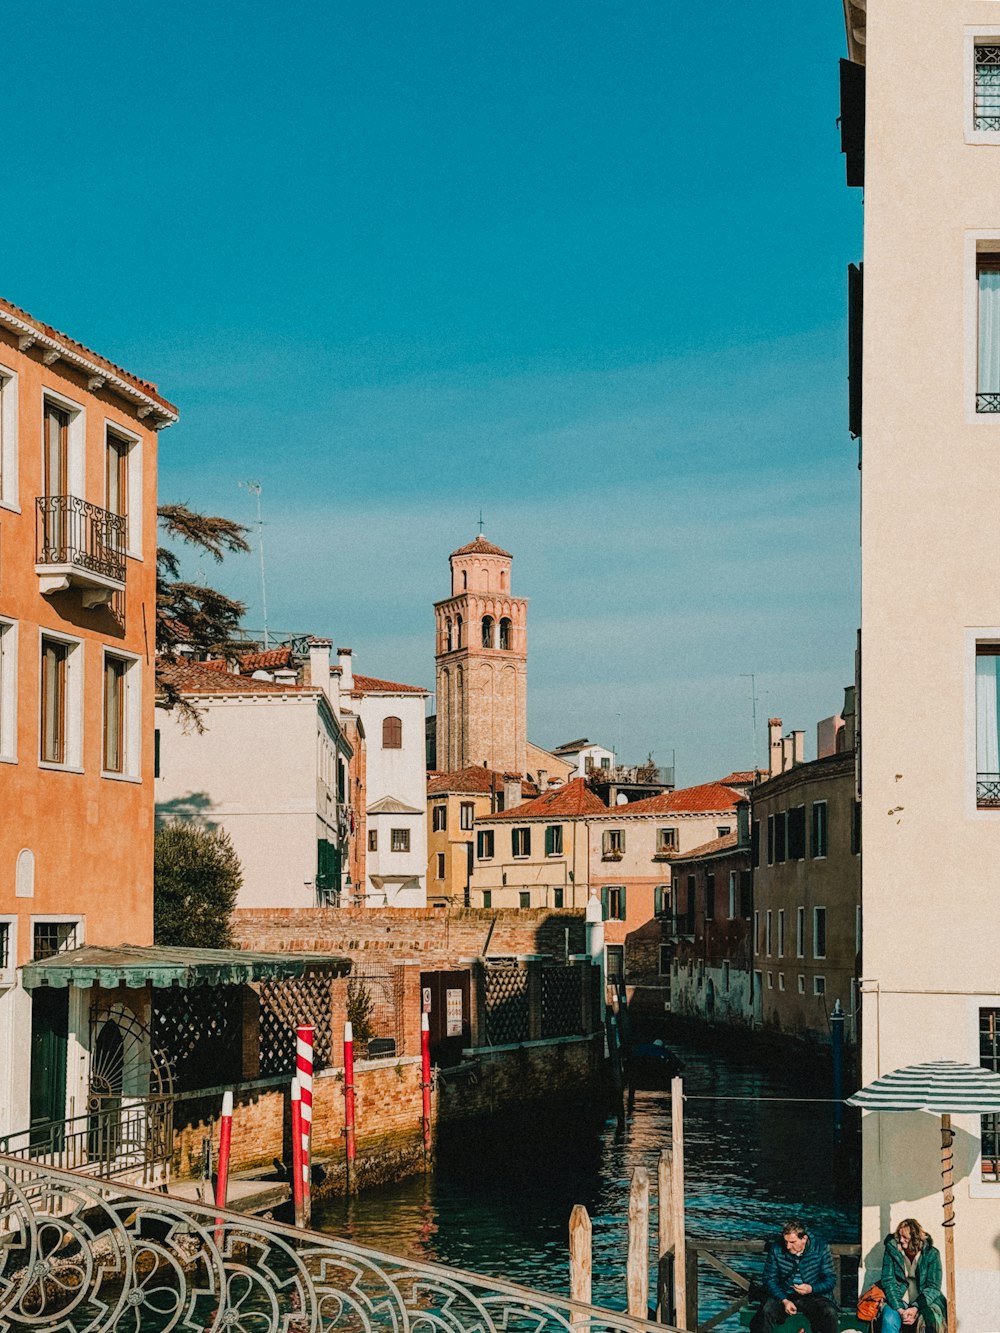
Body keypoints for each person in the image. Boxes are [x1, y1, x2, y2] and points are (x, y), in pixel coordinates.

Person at [750, 1219, 838, 1333]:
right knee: (766, 1310)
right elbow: (769, 1279)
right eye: (786, 1242)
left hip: (813, 1295)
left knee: (829, 1312)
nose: (787, 1246)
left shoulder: (820, 1248)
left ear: (804, 1239)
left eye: (792, 1242)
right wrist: (784, 1300)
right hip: (784, 1294)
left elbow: (830, 1280)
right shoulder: (777, 1248)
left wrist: (811, 1288)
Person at [878, 1219, 947, 1333]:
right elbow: (888, 1280)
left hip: (924, 1299)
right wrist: (899, 1309)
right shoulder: (892, 1250)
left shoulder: (932, 1254)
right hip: (899, 1297)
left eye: (905, 1237)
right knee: (889, 1319)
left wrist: (916, 1307)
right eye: (899, 1236)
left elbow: (933, 1286)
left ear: (915, 1239)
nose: (901, 1240)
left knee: (930, 1321)